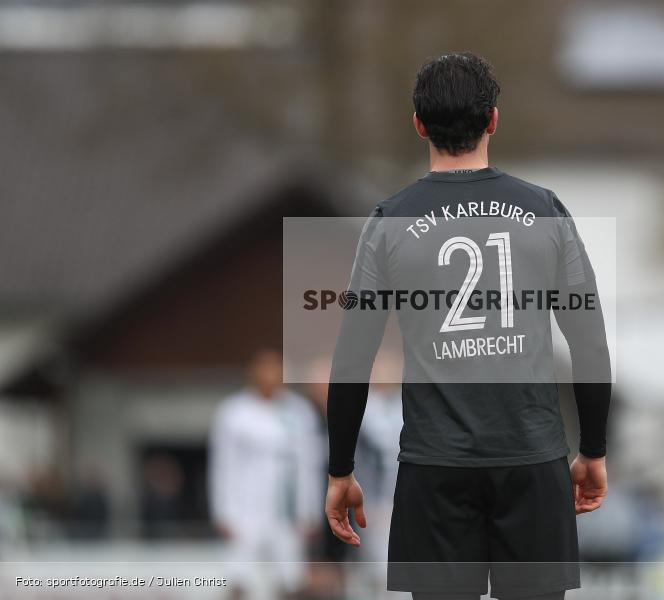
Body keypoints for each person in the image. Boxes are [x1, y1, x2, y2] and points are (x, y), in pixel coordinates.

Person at [324, 53, 612, 600]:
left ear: (418, 125)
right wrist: (593, 450)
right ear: (493, 119)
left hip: (435, 465)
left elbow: (351, 359)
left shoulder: (389, 222)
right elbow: (589, 340)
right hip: (531, 458)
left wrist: (340, 470)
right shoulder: (545, 209)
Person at [209, 350, 323, 600]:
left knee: (292, 579)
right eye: (265, 369)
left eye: (277, 369)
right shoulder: (233, 411)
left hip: (287, 509)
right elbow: (222, 465)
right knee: (238, 578)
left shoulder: (300, 412)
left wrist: (310, 511)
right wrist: (223, 512)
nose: (271, 375)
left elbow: (309, 465)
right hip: (245, 508)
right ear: (253, 373)